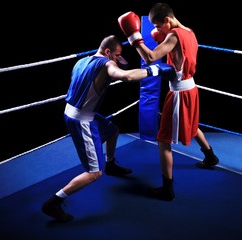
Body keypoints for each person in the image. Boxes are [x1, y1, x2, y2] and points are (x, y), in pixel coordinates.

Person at [41, 35, 176, 222]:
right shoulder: (106, 64)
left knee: (112, 130)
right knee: (94, 173)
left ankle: (111, 163)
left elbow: (88, 82)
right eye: (116, 55)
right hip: (82, 120)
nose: (117, 59)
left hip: (74, 111)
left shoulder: (82, 61)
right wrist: (154, 71)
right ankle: (54, 202)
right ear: (107, 52)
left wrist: (110, 72)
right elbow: (126, 76)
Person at [118, 3, 219, 201]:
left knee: (163, 141)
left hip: (179, 92)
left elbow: (150, 57)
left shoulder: (173, 36)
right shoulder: (189, 31)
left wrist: (134, 38)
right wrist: (160, 37)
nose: (155, 31)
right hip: (192, 89)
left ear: (167, 20)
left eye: (157, 26)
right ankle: (210, 156)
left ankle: (167, 189)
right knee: (192, 123)